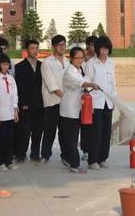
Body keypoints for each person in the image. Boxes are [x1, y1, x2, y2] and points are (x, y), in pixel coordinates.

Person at [59, 47, 100, 173]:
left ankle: (67, 158)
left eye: (82, 58)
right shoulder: (69, 72)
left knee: (72, 137)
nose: (80, 60)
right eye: (76, 58)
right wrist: (91, 84)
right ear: (71, 58)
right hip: (69, 110)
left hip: (78, 110)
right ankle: (74, 164)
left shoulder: (79, 70)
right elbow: (80, 82)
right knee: (71, 138)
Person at [86, 36, 117, 169]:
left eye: (106, 49)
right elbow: (86, 82)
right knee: (96, 132)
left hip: (108, 102)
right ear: (97, 49)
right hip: (96, 102)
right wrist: (92, 87)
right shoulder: (91, 63)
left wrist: (115, 99)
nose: (104, 52)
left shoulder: (111, 63)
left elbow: (113, 83)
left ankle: (103, 158)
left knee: (106, 132)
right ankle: (92, 160)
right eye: (102, 49)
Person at [40, 35, 69, 164]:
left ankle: (65, 155)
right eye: (59, 45)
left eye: (64, 44)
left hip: (66, 103)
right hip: (52, 101)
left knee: (65, 131)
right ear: (53, 47)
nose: (62, 47)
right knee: (49, 130)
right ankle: (45, 155)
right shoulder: (47, 62)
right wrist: (66, 96)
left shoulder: (68, 62)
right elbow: (51, 84)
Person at [14, 40, 44, 163]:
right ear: (27, 50)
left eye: (36, 48)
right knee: (24, 131)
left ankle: (35, 154)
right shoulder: (20, 66)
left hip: (40, 104)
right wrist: (23, 103)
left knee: (38, 131)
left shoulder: (42, 65)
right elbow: (20, 86)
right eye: (32, 48)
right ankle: (21, 154)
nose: (35, 50)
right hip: (26, 105)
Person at [0, 54, 19, 171]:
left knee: (10, 138)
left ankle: (9, 160)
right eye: (3, 64)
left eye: (7, 64)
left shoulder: (11, 78)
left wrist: (15, 111)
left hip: (10, 113)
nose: (5, 66)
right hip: (0, 114)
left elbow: (14, 96)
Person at [80, 36, 98, 161]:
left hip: (97, 98)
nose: (94, 48)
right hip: (84, 97)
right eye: (92, 45)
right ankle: (85, 150)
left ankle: (94, 149)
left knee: (95, 126)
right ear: (87, 46)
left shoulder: (100, 61)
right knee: (85, 125)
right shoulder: (82, 61)